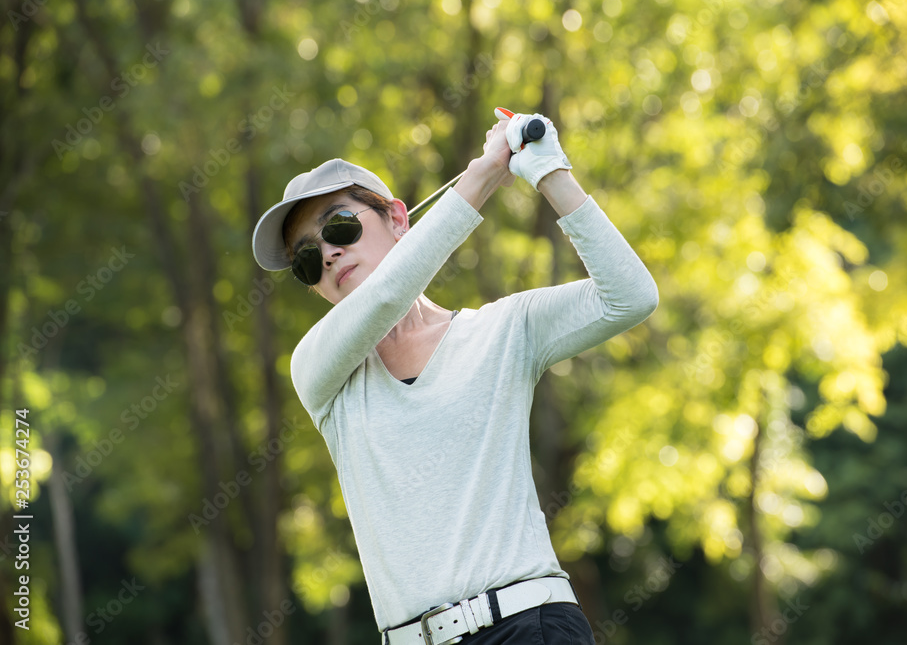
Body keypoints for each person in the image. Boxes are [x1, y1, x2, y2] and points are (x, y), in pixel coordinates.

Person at [251, 109, 659, 644]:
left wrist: (549, 172)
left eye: (340, 226)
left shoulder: (504, 330)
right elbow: (389, 295)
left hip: (531, 625)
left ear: (399, 218)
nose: (327, 254)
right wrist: (486, 171)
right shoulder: (318, 371)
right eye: (306, 259)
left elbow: (630, 297)